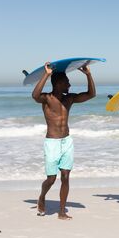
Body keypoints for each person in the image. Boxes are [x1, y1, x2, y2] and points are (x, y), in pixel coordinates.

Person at [32, 62, 96, 219]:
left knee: (66, 176)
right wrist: (46, 75)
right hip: (52, 142)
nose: (69, 84)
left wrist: (88, 74)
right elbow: (34, 95)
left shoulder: (70, 99)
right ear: (59, 84)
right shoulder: (47, 99)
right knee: (51, 179)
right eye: (67, 82)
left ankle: (61, 211)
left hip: (67, 141)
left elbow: (91, 94)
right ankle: (42, 196)